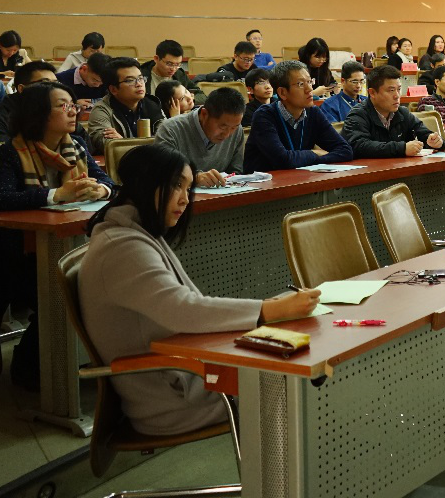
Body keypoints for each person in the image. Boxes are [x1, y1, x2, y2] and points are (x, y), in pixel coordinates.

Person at [79, 144, 320, 436]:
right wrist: (270, 310)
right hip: (171, 400)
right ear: (146, 184)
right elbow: (183, 310)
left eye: (188, 188)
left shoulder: (133, 231)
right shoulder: (122, 247)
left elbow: (186, 307)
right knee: (298, 382)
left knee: (292, 365)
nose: (184, 199)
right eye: (176, 186)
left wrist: (267, 309)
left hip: (183, 376)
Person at [0, 81, 114, 389]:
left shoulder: (76, 145)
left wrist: (102, 189)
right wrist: (56, 195)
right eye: (63, 105)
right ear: (39, 113)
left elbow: (109, 182)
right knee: (64, 291)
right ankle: (31, 368)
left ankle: (82, 361)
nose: (73, 111)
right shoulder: (12, 151)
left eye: (73, 105)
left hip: (72, 241)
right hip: (21, 253)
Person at [243, 60, 352, 171]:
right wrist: (314, 153)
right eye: (301, 84)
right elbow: (282, 160)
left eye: (309, 82)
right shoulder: (264, 116)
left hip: (302, 177)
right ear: (282, 93)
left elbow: (345, 150)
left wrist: (314, 159)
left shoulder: (313, 113)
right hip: (267, 181)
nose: (310, 89)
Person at [343, 65, 444, 158]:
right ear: (372, 93)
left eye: (399, 89)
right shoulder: (358, 115)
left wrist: (435, 142)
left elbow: (424, 133)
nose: (397, 96)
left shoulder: (402, 112)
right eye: (391, 90)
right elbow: (359, 146)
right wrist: (402, 148)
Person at [155, 87, 246, 187]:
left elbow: (236, 172)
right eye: (222, 127)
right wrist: (195, 178)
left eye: (233, 128)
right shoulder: (170, 129)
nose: (227, 134)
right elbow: (163, 172)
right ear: (204, 114)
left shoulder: (237, 130)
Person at [86, 57, 166, 154]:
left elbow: (167, 139)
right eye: (130, 80)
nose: (139, 84)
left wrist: (123, 142)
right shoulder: (101, 110)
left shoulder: (152, 104)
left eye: (140, 78)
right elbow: (108, 145)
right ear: (113, 89)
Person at [0, 61, 60, 144]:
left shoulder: (58, 112)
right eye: (45, 83)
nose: (53, 89)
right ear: (22, 89)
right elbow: (2, 149)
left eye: (55, 83)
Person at [140, 41, 204, 105]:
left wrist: (190, 99)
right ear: (156, 59)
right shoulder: (141, 75)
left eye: (177, 64)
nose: (173, 69)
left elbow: (201, 96)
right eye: (169, 64)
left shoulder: (179, 74)